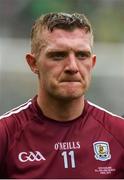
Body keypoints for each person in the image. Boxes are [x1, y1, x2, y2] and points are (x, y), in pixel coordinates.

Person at [0, 12, 124, 179]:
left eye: (82, 55)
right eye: (58, 55)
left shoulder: (119, 133)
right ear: (33, 63)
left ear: (92, 63)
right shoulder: (5, 135)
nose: (72, 67)